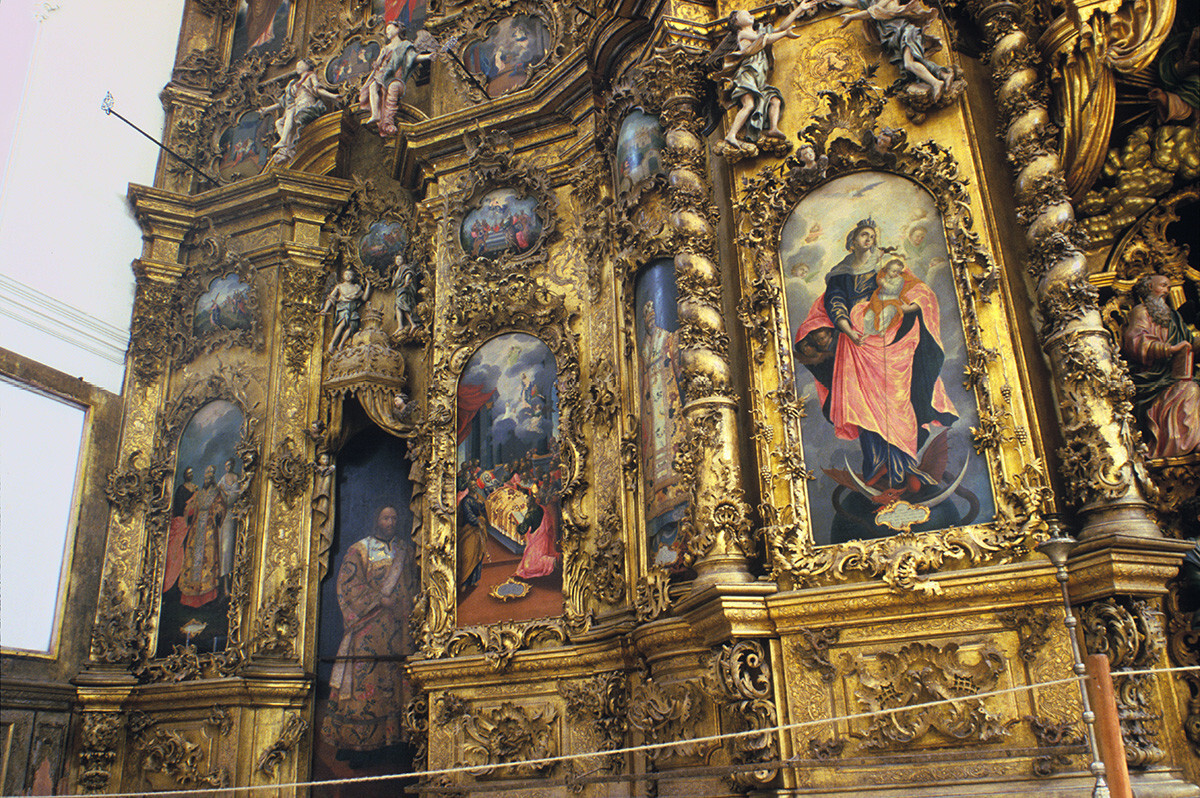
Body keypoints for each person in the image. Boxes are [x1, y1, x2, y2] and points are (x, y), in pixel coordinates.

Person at [794, 219, 958, 492]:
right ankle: (878, 473)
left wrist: (904, 310)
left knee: (899, 401)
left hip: (893, 344)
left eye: (872, 235)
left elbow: (915, 289)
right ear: (852, 241)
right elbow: (835, 305)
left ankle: (905, 467)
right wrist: (849, 331)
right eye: (863, 235)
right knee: (866, 408)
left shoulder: (887, 265)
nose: (869, 239)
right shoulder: (840, 274)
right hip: (857, 346)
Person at [324, 506, 415, 763]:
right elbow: (348, 585)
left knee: (396, 683)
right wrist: (378, 600)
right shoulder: (359, 550)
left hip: (398, 630)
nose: (391, 522)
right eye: (386, 517)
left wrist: (403, 606)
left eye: (395, 517)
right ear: (376, 519)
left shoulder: (405, 551)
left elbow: (411, 585)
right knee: (365, 683)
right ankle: (358, 748)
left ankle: (394, 744)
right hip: (368, 630)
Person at [709, 3, 814, 151]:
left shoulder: (760, 31)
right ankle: (731, 134)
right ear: (737, 23)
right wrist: (784, 34)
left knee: (775, 100)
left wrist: (799, 9)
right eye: (745, 14)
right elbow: (766, 38)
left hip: (759, 78)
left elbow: (781, 27)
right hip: (747, 74)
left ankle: (773, 128)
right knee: (749, 105)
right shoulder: (744, 34)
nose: (750, 15)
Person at [1121, 273, 1200, 459]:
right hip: (1151, 378)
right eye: (1163, 286)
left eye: (1168, 288)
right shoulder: (1141, 312)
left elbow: (1187, 344)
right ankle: (1184, 444)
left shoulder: (1174, 317)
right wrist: (1169, 349)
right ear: (1149, 288)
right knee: (1190, 390)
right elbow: (1136, 342)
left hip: (1176, 373)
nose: (1166, 292)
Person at [828, 0, 955, 101]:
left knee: (909, 64)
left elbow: (873, 12)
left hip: (907, 32)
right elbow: (851, 3)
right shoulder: (870, 1)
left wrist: (851, 17)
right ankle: (944, 74)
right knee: (917, 61)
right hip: (895, 39)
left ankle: (936, 83)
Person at [359, 22, 434, 136]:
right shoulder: (386, 48)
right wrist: (377, 64)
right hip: (382, 75)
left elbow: (413, 57)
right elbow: (379, 62)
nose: (387, 31)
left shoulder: (404, 45)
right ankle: (376, 114)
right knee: (372, 86)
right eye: (386, 30)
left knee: (392, 87)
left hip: (395, 79)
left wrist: (428, 56)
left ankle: (387, 122)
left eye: (389, 28)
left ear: (398, 29)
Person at [260, 59, 340, 163]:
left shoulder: (311, 76)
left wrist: (333, 96)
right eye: (297, 65)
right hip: (296, 107)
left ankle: (284, 143)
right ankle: (286, 146)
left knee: (290, 111)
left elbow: (317, 90)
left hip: (306, 105)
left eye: (300, 65)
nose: (297, 67)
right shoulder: (293, 84)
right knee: (279, 122)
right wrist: (267, 109)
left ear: (307, 66)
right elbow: (283, 102)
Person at [178, 465, 226, 608]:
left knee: (208, 560)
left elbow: (221, 506)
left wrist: (218, 512)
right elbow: (191, 506)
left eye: (210, 476)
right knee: (192, 560)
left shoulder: (216, 492)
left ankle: (207, 597)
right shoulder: (199, 493)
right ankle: (189, 597)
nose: (207, 478)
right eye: (206, 475)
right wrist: (189, 511)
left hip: (209, 530)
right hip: (196, 527)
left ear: (213, 478)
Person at [321, 268, 371, 353]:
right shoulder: (339, 286)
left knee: (352, 326)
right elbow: (331, 298)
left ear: (353, 277)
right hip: (343, 307)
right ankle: (332, 343)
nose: (348, 276)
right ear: (343, 276)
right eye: (346, 274)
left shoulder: (356, 287)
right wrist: (325, 309)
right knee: (343, 323)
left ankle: (341, 344)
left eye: (350, 274)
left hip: (353, 308)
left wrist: (368, 285)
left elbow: (364, 298)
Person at [163, 467, 197, 592]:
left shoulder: (195, 489)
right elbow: (178, 507)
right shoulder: (181, 489)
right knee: (176, 550)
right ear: (185, 476)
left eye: (192, 473)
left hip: (192, 523)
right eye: (188, 473)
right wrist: (188, 508)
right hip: (181, 523)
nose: (191, 475)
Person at [216, 458, 244, 594]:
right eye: (226, 465)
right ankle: (223, 585)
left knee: (229, 549)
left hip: (232, 516)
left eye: (230, 465)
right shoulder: (223, 478)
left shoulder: (236, 478)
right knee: (222, 549)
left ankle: (230, 585)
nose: (228, 467)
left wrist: (226, 494)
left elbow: (234, 497)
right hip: (224, 516)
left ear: (232, 465)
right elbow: (217, 495)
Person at [391, 254, 418, 334]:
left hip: (404, 290)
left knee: (401, 306)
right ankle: (403, 325)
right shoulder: (397, 270)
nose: (398, 261)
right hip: (399, 290)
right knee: (399, 307)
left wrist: (406, 282)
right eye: (396, 260)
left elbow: (408, 273)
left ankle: (410, 324)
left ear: (403, 260)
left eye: (400, 259)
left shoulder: (404, 267)